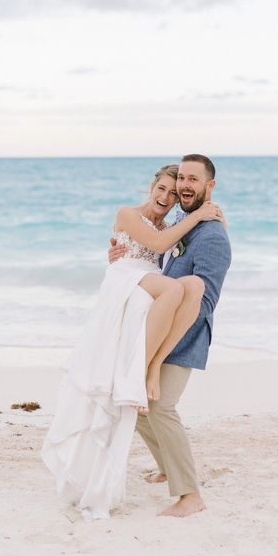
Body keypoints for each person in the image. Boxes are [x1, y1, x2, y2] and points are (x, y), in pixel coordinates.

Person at [41, 163, 225, 521]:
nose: (167, 196)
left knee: (149, 405)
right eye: (163, 188)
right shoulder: (129, 214)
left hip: (152, 305)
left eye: (175, 193)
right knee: (137, 404)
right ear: (151, 185)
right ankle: (144, 381)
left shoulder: (175, 227)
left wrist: (212, 219)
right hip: (131, 293)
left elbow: (193, 257)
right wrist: (198, 214)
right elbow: (152, 247)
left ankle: (145, 373)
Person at [108, 154, 232, 518]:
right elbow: (153, 260)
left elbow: (204, 301)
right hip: (157, 327)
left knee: (160, 406)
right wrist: (120, 255)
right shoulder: (182, 221)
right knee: (139, 405)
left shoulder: (212, 235)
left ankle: (189, 495)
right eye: (183, 179)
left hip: (184, 336)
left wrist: (161, 343)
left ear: (210, 186)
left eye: (195, 179)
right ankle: (167, 467)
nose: (185, 185)